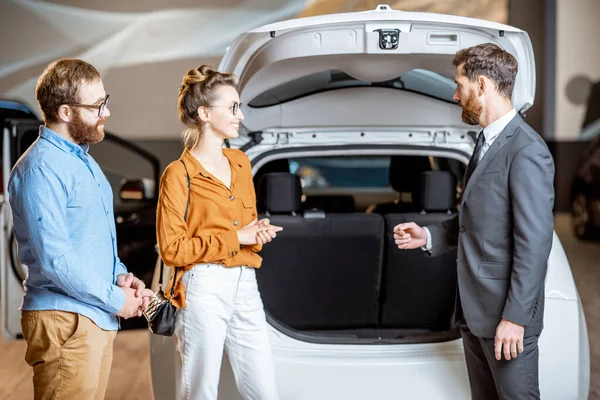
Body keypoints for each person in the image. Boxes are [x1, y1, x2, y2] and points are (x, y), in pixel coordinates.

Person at [393, 44, 555, 399]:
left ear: (481, 85)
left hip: (506, 320)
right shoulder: (485, 142)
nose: (454, 94)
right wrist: (429, 235)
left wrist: (515, 318)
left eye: (459, 85)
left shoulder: (526, 151)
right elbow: (478, 220)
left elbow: (535, 243)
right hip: (475, 313)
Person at [8, 58, 154, 400]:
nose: (106, 112)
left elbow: (92, 238)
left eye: (106, 101)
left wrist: (120, 276)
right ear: (65, 112)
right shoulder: (40, 169)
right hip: (65, 321)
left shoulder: (82, 161)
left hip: (88, 316)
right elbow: (56, 260)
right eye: (97, 105)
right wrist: (118, 300)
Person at [156, 65, 283, 400]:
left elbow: (244, 226)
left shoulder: (241, 162)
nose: (240, 116)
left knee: (265, 392)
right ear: (204, 113)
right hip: (202, 288)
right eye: (232, 107)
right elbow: (171, 249)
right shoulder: (178, 173)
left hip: (245, 284)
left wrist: (256, 233)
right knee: (200, 393)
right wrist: (235, 238)